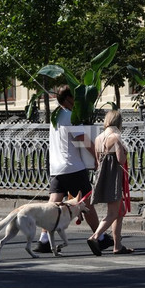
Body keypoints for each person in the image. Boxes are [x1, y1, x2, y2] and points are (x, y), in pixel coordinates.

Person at [33, 85, 114, 253]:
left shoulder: (55, 117)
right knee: (86, 203)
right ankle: (99, 238)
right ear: (69, 99)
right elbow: (83, 140)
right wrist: (98, 156)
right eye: (75, 99)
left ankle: (44, 240)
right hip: (72, 167)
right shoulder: (70, 116)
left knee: (52, 205)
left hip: (56, 168)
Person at [87, 110, 134, 256]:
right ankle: (95, 237)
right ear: (119, 122)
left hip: (102, 176)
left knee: (118, 213)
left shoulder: (98, 138)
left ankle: (117, 246)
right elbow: (120, 160)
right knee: (113, 212)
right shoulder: (116, 137)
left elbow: (97, 159)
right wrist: (126, 151)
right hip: (114, 177)